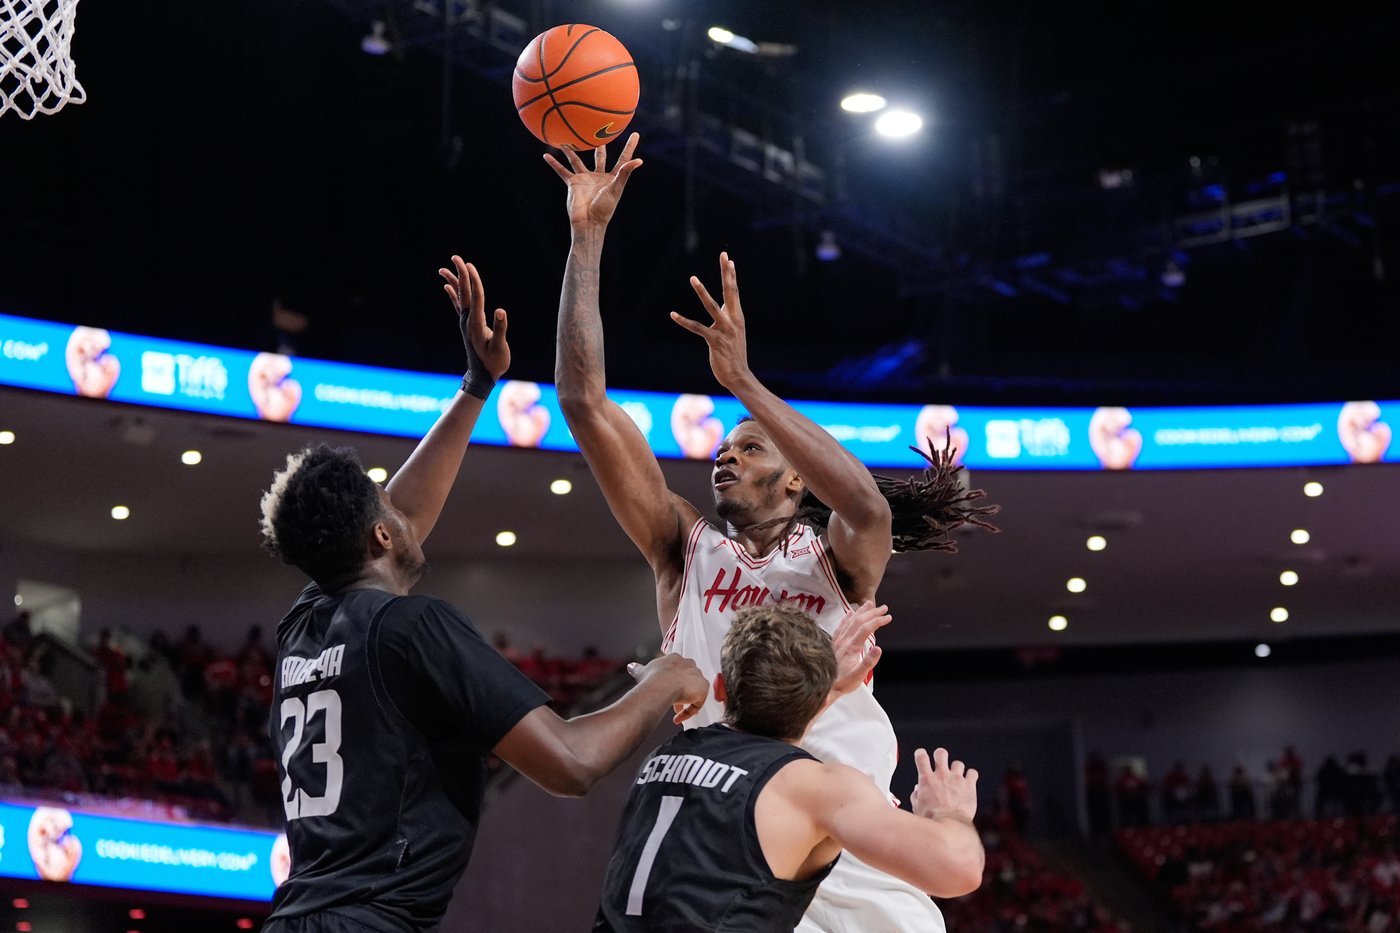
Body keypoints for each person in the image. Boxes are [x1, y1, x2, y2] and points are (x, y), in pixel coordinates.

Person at [548, 134, 997, 932]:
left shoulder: (835, 558)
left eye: (748, 446)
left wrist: (745, 382)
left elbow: (869, 510)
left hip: (843, 820)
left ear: (795, 473)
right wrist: (587, 239)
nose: (724, 457)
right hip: (730, 823)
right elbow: (584, 402)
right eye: (720, 448)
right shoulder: (682, 548)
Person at [258, 256, 708, 933]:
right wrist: (664, 681)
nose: (408, 507)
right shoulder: (413, 628)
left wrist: (477, 385)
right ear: (381, 534)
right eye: (389, 507)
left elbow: (392, 517)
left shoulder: (306, 623)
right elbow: (571, 763)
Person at [594, 603, 983, 931]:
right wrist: (951, 813)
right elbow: (959, 870)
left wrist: (825, 691)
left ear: (719, 688)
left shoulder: (668, 754)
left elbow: (755, 750)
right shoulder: (810, 788)